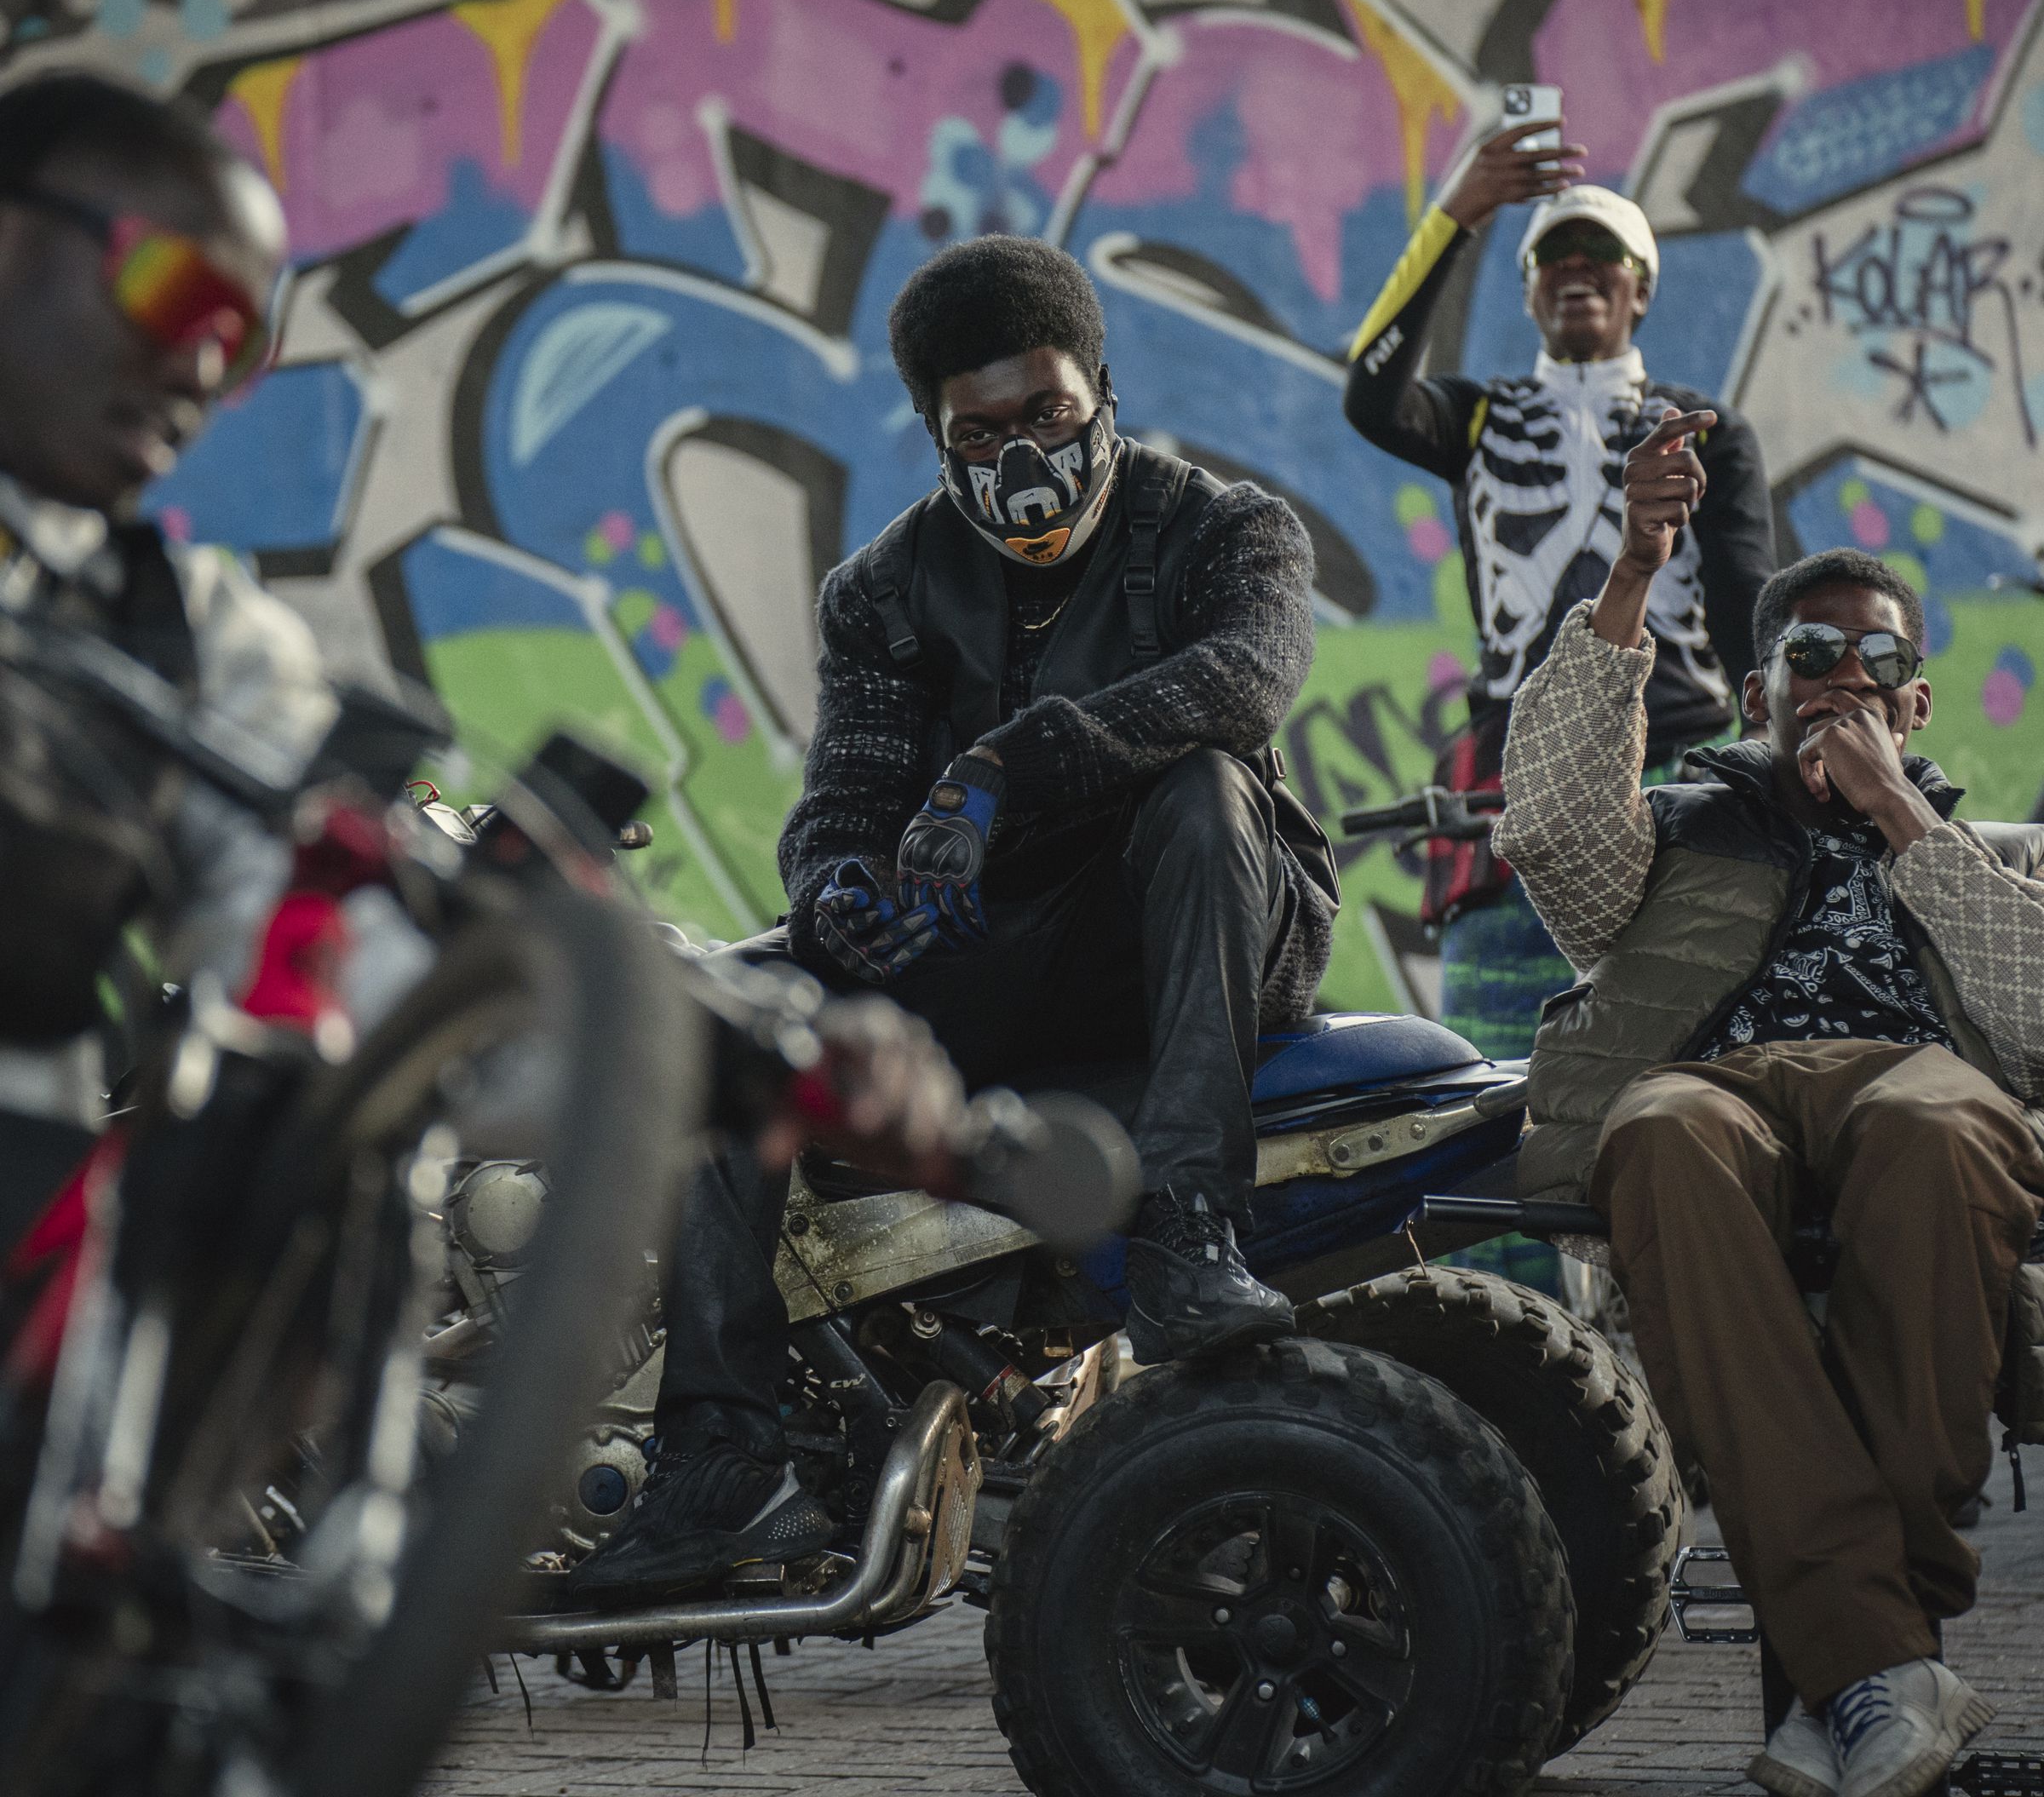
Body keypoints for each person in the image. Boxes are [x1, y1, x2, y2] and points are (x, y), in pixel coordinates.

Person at [570, 233, 1338, 1603]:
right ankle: (724, 1451)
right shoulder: (880, 589)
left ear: (1100, 385)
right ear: (937, 439)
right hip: (995, 953)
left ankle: (1187, 1236)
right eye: (978, 431)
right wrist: (839, 888)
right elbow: (843, 800)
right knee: (717, 1014)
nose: (1019, 454)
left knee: (1209, 791)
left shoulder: (1228, 529)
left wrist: (1001, 766)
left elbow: (1242, 685)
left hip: (1192, 938)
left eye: (1044, 412)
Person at [1492, 410, 2044, 1797]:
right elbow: (1550, 830)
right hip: (1716, 1086)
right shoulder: (1678, 832)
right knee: (1664, 1134)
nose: (1847, 679)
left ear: (1919, 704)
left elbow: (2038, 1025)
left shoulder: (1994, 855)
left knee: (1938, 1127)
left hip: (1915, 1082)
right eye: (1813, 655)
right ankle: (1882, 1672)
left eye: (1882, 662)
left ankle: (1848, 1677)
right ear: (1758, 694)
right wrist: (1631, 570)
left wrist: (1900, 816)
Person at [1343, 117, 1775, 1056]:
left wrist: (1777, 745)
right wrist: (1460, 212)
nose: (1578, 265)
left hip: (1679, 772)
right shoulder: (1475, 416)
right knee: (1497, 1082)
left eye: (1604, 253)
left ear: (1642, 289)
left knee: (1684, 1063)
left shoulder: (1706, 429)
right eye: (1555, 255)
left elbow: (1747, 599)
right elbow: (1371, 392)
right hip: (1512, 780)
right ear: (1530, 289)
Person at [0, 72, 336, 1254]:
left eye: (235, 342)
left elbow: (336, 876)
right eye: (174, 291)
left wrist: (693, 1028)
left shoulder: (180, 631)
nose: (199, 376)